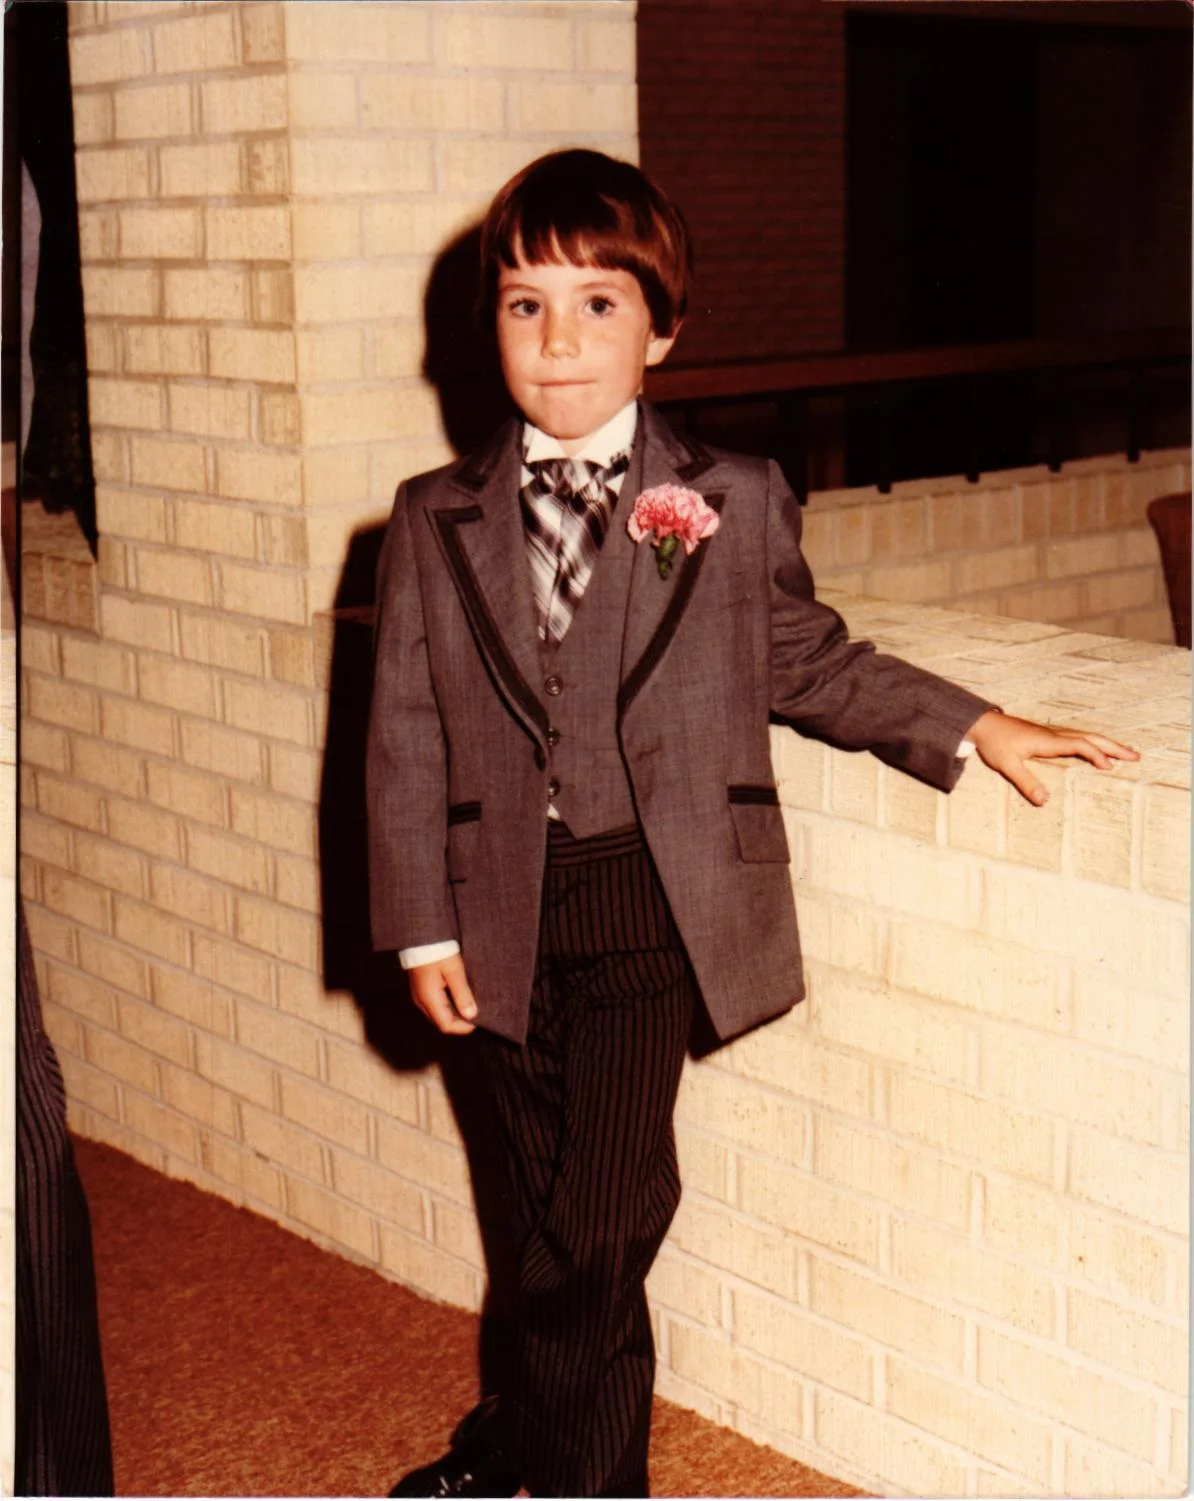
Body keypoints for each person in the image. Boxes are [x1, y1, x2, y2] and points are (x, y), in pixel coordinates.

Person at [365, 148, 1137, 1499]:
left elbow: (804, 656)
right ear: (487, 325)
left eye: (598, 305)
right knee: (535, 1203)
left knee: (603, 1220)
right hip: (490, 910)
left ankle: (567, 1476)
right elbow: (404, 730)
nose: (558, 341)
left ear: (662, 329)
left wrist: (973, 724)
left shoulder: (719, 495)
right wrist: (420, 924)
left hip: (653, 898)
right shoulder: (432, 518)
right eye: (525, 306)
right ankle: (515, 1443)